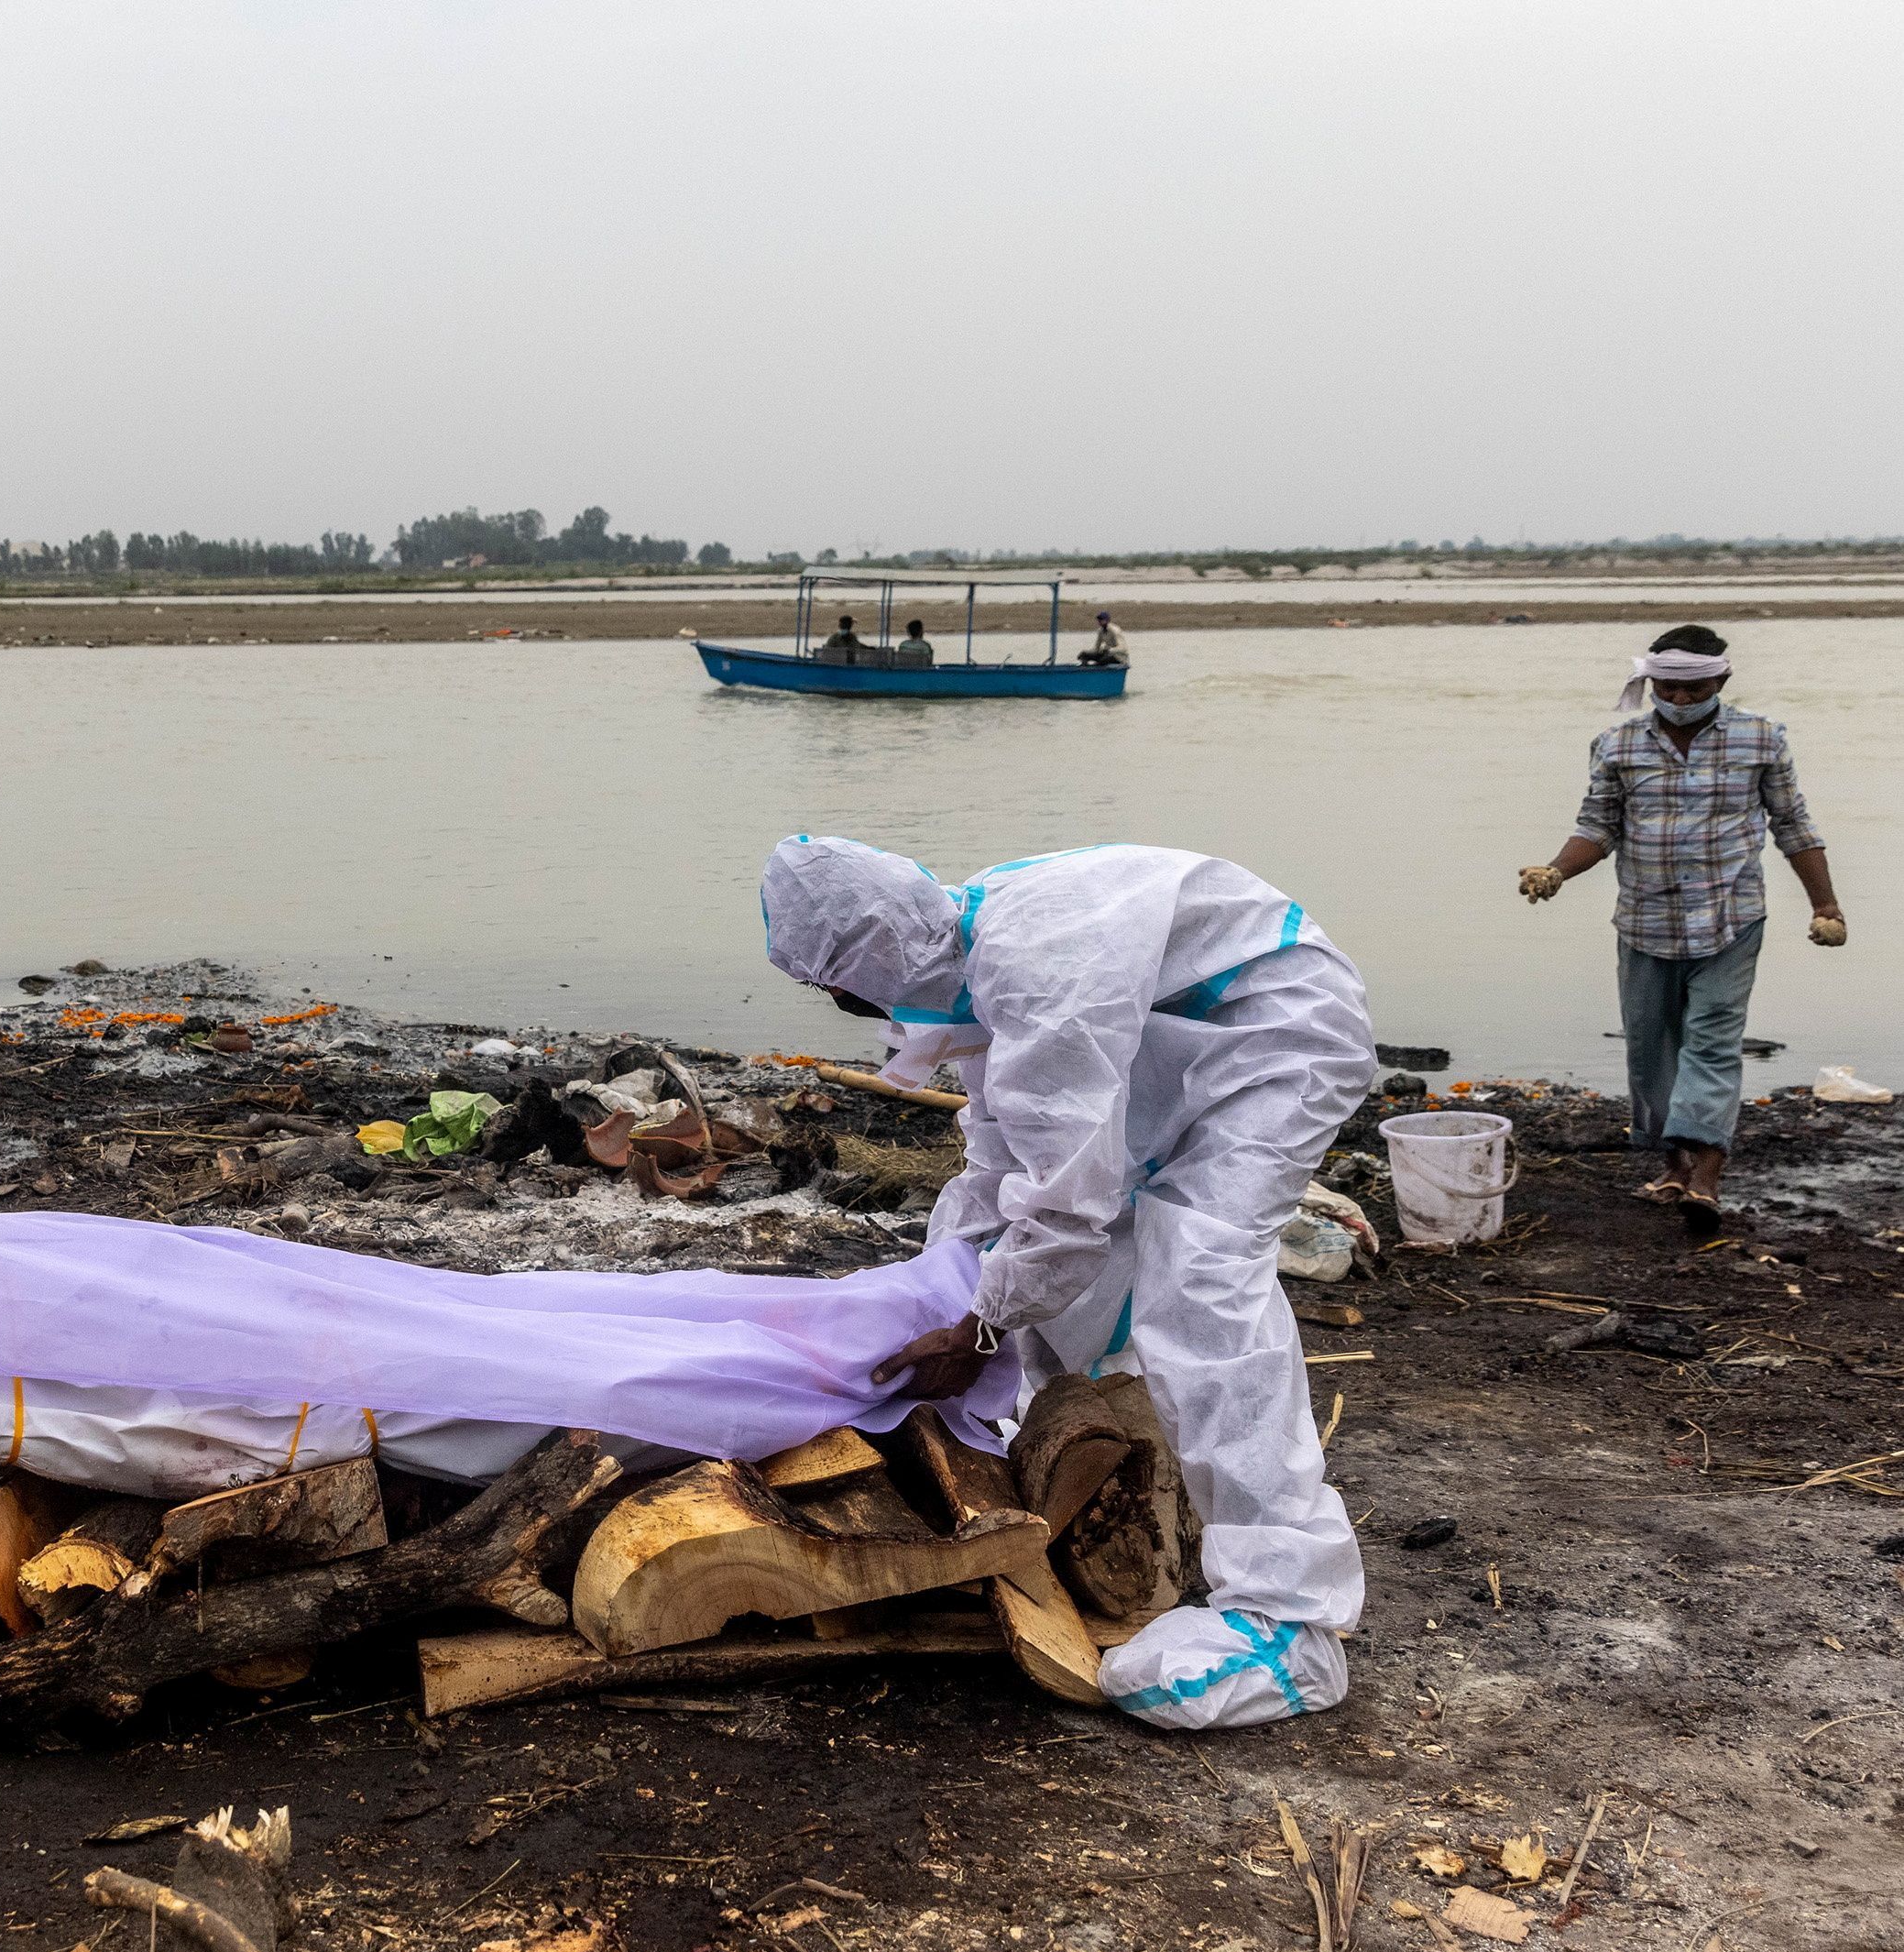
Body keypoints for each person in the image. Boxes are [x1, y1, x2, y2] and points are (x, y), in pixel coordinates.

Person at [761, 833, 1375, 1728]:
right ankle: (1068, 1434)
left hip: (1273, 1031)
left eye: (833, 982)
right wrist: (941, 1291)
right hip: (1178, 1032)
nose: (838, 1002)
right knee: (1040, 1244)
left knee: (1198, 1272)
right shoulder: (968, 958)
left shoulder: (1035, 965)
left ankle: (1291, 1620)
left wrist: (975, 1330)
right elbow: (1002, 1160)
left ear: (872, 951)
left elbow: (1063, 1207)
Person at [1517, 624, 1844, 1232]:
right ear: (1650, 683)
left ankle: (1707, 1176)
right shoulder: (1617, 746)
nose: (1681, 697)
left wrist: (1826, 906)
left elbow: (1793, 825)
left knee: (1715, 1043)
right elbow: (1598, 828)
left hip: (1731, 917)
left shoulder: (1761, 739)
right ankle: (1673, 1165)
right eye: (1667, 686)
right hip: (1645, 919)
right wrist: (1555, 870)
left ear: (1721, 679)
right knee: (1651, 1050)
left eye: (1694, 687)